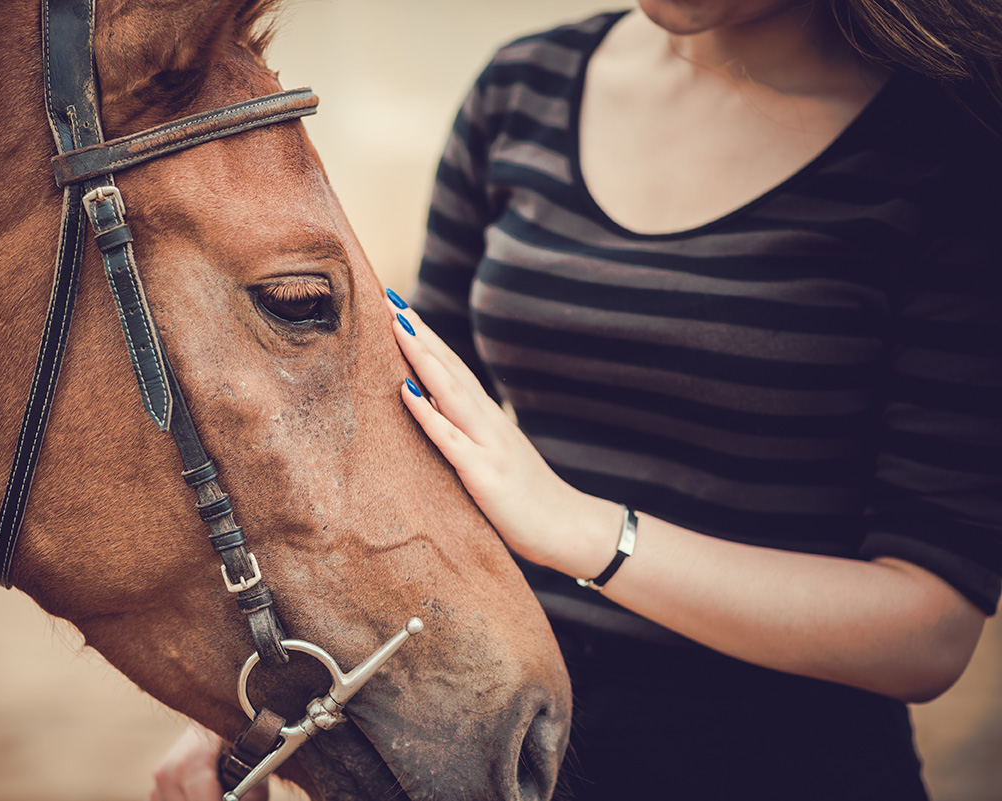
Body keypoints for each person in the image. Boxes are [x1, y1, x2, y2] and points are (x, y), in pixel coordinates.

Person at [151, 1, 1002, 798]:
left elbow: (928, 630)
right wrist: (260, 687)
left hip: (787, 763)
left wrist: (587, 532)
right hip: (511, 744)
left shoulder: (949, 146)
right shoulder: (524, 89)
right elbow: (391, 425)